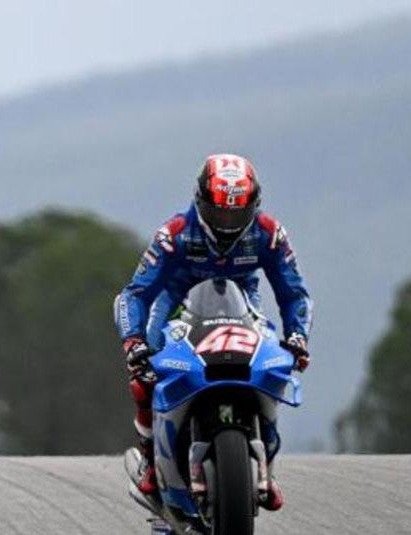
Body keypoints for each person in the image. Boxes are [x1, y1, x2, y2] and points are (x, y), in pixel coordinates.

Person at [113, 153, 312, 511]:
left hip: (242, 303)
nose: (227, 222)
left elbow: (294, 292)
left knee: (270, 368)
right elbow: (134, 295)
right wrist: (134, 341)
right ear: (201, 201)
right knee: (143, 376)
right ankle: (149, 458)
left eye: (237, 213)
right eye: (220, 212)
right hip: (177, 305)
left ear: (253, 205)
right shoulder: (173, 235)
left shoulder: (269, 234)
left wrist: (297, 336)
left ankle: (267, 465)